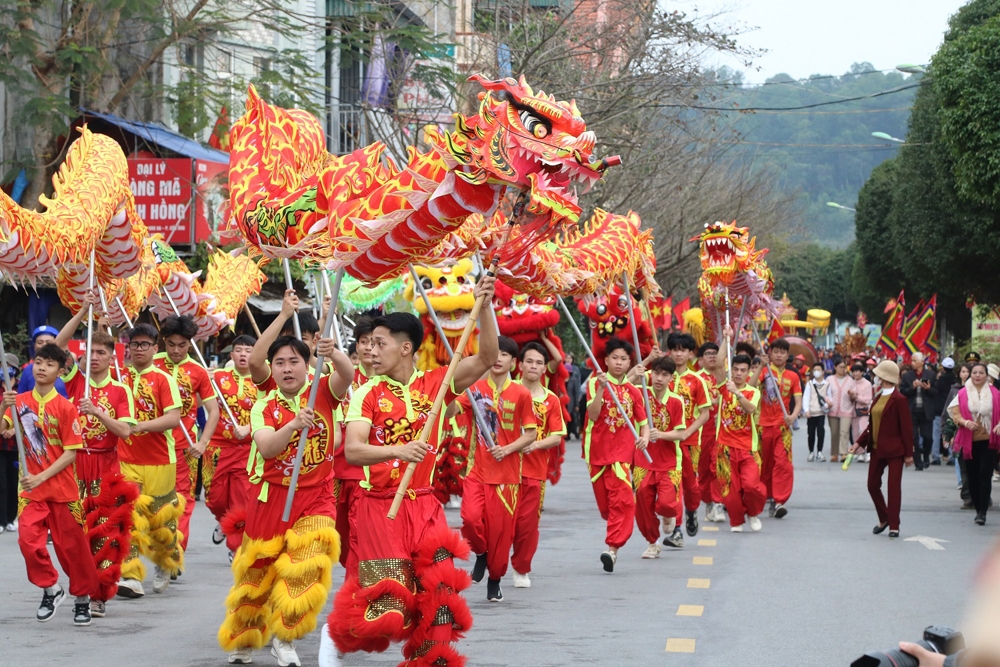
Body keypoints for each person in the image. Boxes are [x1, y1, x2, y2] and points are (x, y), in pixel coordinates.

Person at [329, 277, 497, 667]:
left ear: (406, 348)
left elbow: (487, 356)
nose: (371, 351)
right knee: (390, 612)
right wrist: (398, 450)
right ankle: (335, 636)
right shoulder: (366, 393)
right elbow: (353, 450)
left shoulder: (438, 385)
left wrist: (484, 306)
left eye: (380, 343)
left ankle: (430, 662)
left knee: (440, 599)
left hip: (424, 507)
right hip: (379, 510)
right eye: (369, 345)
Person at [217, 335, 353, 666]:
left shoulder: (322, 391)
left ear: (307, 365)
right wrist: (294, 424)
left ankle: (285, 637)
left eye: (294, 361)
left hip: (317, 495)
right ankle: (245, 636)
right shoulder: (264, 405)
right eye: (280, 363)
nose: (287, 369)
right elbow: (266, 448)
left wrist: (332, 352)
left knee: (307, 564)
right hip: (272, 497)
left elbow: (347, 374)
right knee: (257, 574)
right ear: (272, 370)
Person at [2, 343, 100, 626]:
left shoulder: (67, 408)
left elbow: (71, 453)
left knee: (72, 550)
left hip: (62, 491)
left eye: (50, 364)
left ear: (60, 371)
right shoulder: (19, 401)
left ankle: (82, 599)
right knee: (28, 542)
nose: (43, 367)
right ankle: (51, 588)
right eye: (39, 362)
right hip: (32, 492)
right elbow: (2, 430)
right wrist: (3, 406)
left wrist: (42, 476)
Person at [54, 302, 138, 618]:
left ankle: (99, 594)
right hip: (74, 466)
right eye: (90, 351)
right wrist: (82, 311)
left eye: (101, 352)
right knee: (73, 534)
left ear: (111, 356)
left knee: (102, 534)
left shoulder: (120, 391)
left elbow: (126, 432)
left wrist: (98, 412)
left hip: (105, 466)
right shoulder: (77, 380)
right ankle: (80, 588)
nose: (94, 357)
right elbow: (57, 346)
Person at [451, 335, 537, 601]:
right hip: (477, 470)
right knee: (470, 518)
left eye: (505, 355)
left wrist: (508, 449)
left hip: (507, 476)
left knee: (501, 535)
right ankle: (480, 552)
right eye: (494, 353)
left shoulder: (521, 393)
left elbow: (531, 434)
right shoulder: (474, 389)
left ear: (514, 362)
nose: (498, 359)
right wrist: (447, 391)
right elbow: (451, 410)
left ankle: (495, 579)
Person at [116, 323, 183, 599]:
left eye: (145, 345)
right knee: (128, 516)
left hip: (159, 460)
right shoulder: (120, 378)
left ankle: (166, 562)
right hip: (125, 459)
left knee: (160, 521)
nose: (139, 349)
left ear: (156, 348)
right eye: (134, 344)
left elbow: (173, 418)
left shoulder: (163, 379)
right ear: (128, 348)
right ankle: (131, 576)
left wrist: (142, 425)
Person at [153, 315, 220, 553]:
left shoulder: (198, 371)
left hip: (186, 448)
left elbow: (213, 411)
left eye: (182, 345)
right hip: (152, 448)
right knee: (154, 502)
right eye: (171, 344)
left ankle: (175, 551)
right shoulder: (152, 364)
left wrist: (203, 443)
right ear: (163, 341)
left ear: (190, 344)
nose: (176, 350)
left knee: (182, 501)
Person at [584, 337, 649, 572]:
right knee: (607, 507)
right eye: (615, 358)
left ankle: (612, 549)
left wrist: (645, 437)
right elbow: (592, 415)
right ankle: (614, 531)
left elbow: (644, 423)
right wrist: (602, 388)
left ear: (629, 362)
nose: (619, 363)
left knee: (622, 502)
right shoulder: (595, 383)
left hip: (622, 455)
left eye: (623, 359)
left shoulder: (634, 391)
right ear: (606, 360)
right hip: (597, 453)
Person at [511, 342, 565, 587]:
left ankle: (521, 568)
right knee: (499, 522)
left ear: (545, 369)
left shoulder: (550, 400)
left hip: (534, 472)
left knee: (527, 525)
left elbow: (556, 435)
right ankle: (495, 562)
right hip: (503, 470)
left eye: (538, 363)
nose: (533, 366)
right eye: (529, 361)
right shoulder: (506, 391)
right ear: (519, 365)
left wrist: (535, 444)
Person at [204, 334, 258, 556]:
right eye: (239, 350)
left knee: (240, 501)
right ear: (232, 353)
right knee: (214, 500)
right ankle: (223, 521)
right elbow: (197, 401)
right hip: (216, 448)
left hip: (246, 450)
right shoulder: (217, 377)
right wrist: (202, 379)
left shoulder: (263, 380)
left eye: (248, 350)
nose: (243, 354)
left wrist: (249, 429)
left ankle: (235, 546)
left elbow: (270, 412)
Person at [851, 360, 913, 538]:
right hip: (877, 449)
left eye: (878, 375)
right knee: (872, 485)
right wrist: (858, 443)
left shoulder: (899, 399)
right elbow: (871, 426)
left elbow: (906, 429)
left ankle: (894, 525)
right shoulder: (877, 397)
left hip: (895, 451)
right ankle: (884, 518)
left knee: (893, 488)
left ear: (884, 377)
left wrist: (909, 454)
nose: (875, 378)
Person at [634, 356, 686, 557]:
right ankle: (652, 542)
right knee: (643, 505)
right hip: (643, 460)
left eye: (664, 375)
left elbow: (681, 433)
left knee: (666, 503)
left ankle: (667, 515)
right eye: (656, 373)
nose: (659, 378)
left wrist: (661, 435)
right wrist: (634, 375)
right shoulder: (640, 394)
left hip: (669, 462)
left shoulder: (676, 401)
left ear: (671, 379)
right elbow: (619, 390)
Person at [750, 337, 801, 519]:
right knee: (763, 465)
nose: (779, 355)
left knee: (783, 463)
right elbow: (750, 387)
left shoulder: (793, 376)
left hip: (782, 428)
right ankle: (766, 495)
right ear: (770, 353)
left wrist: (793, 416)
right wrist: (760, 368)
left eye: (783, 352)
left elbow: (798, 401)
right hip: (762, 427)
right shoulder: (765, 372)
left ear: (787, 355)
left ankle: (779, 501)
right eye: (776, 351)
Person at [715, 352, 765, 533]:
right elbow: (719, 362)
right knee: (730, 488)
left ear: (748, 373)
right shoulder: (723, 387)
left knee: (751, 486)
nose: (738, 373)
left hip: (748, 448)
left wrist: (737, 393)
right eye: (735, 369)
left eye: (742, 370)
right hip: (725, 447)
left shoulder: (753, 392)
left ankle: (752, 512)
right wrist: (726, 337)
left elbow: (750, 409)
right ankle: (736, 521)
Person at [666, 332, 710, 536]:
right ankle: (676, 529)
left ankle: (692, 511)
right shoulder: (660, 377)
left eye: (682, 350)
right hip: (666, 441)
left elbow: (705, 413)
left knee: (690, 485)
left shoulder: (697, 381)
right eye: (674, 350)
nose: (678, 354)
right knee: (672, 483)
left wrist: (688, 432)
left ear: (690, 353)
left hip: (690, 441)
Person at [947, 362, 1000, 526]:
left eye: (981, 373)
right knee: (972, 477)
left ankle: (982, 512)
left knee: (985, 475)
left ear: (987, 376)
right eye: (975, 372)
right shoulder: (962, 393)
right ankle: (978, 507)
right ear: (970, 375)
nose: (977, 375)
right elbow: (954, 413)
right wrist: (964, 422)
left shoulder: (995, 393)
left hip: (989, 441)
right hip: (969, 441)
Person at [695, 342, 726, 523]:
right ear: (700, 360)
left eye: (715, 353)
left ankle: (718, 503)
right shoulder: (695, 379)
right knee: (704, 471)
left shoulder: (726, 379)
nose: (713, 356)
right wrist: (712, 403)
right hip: (701, 431)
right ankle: (708, 501)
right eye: (708, 354)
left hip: (722, 431)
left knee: (718, 467)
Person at [900, 351, 937, 470]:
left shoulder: (931, 374)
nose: (912, 363)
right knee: (913, 437)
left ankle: (926, 456)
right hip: (912, 410)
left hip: (926, 410)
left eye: (915, 361)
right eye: (911, 361)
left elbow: (936, 392)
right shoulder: (907, 376)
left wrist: (929, 388)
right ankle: (918, 462)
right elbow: (903, 392)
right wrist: (913, 387)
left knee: (928, 437)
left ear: (922, 362)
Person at [943, 364, 973, 508]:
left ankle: (982, 496)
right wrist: (947, 435)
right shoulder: (959, 393)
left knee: (981, 470)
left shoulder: (990, 394)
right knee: (965, 467)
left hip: (983, 438)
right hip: (963, 436)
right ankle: (967, 496)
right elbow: (951, 416)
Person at [0, 355, 21, 533]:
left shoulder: (22, 388)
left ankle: (10, 518)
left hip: (16, 444)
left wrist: (14, 430)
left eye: (7, 366)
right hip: (0, 444)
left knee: (14, 481)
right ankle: (1, 519)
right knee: (1, 482)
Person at [17, 325, 68, 397]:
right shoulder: (28, 370)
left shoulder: (68, 368)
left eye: (48, 342)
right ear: (34, 345)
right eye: (40, 342)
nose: (44, 345)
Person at [826, 357, 854, 463]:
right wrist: (828, 401)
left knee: (844, 431)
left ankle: (843, 453)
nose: (843, 369)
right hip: (832, 409)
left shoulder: (850, 380)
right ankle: (834, 453)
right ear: (835, 367)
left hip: (847, 409)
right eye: (840, 367)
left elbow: (854, 394)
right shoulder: (829, 379)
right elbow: (825, 393)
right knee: (834, 432)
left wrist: (853, 394)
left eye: (844, 367)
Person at [802, 362, 829, 461]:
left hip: (821, 413)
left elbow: (829, 397)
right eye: (815, 370)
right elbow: (806, 397)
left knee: (821, 432)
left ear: (823, 372)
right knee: (811, 433)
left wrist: (827, 405)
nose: (816, 372)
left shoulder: (827, 384)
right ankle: (811, 452)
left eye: (818, 370)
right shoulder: (809, 384)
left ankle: (820, 452)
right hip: (811, 413)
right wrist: (806, 410)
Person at [849, 363, 874, 463]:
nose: (855, 373)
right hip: (853, 411)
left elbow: (868, 399)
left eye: (857, 371)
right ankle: (859, 453)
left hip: (863, 410)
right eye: (853, 371)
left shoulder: (867, 384)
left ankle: (867, 452)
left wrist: (857, 397)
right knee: (855, 432)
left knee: (863, 430)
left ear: (862, 372)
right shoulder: (851, 383)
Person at [934, 357, 957, 464]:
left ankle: (936, 456)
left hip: (939, 409)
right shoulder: (956, 381)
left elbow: (934, 391)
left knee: (938, 434)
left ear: (943, 367)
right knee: (952, 433)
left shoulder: (940, 380)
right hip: (953, 410)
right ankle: (952, 455)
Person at [565, 352, 582, 439]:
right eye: (567, 358)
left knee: (572, 415)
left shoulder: (575, 370)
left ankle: (573, 431)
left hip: (572, 395)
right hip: (563, 395)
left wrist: (578, 398)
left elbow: (577, 385)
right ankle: (566, 433)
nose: (568, 360)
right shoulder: (561, 368)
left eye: (570, 358)